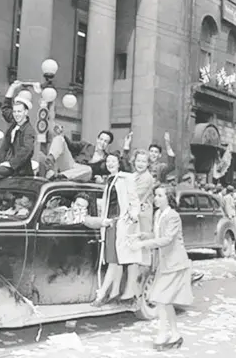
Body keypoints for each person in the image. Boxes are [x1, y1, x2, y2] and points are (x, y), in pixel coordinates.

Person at [131, 186, 193, 351]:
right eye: (155, 195)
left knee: (161, 298)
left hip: (175, 264)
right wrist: (144, 236)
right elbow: (158, 236)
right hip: (165, 264)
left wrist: (143, 244)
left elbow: (167, 239)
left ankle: (163, 333)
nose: (156, 198)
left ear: (168, 197)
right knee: (164, 301)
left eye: (160, 195)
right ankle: (174, 334)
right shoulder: (158, 214)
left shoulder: (173, 216)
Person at [90, 152, 144, 306]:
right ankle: (113, 293)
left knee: (114, 261)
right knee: (113, 260)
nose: (110, 163)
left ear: (119, 163)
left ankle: (101, 295)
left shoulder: (125, 178)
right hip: (109, 224)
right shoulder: (109, 180)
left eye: (113, 161)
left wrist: (133, 216)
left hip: (120, 224)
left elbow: (134, 200)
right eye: (107, 161)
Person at [45, 126, 113, 182]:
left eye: (106, 141)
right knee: (60, 138)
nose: (102, 143)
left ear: (108, 144)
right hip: (72, 167)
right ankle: (50, 163)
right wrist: (62, 134)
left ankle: (58, 177)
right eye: (101, 139)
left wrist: (102, 180)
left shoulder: (106, 159)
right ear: (97, 139)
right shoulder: (86, 146)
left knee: (88, 169)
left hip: (85, 176)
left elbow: (109, 174)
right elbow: (71, 145)